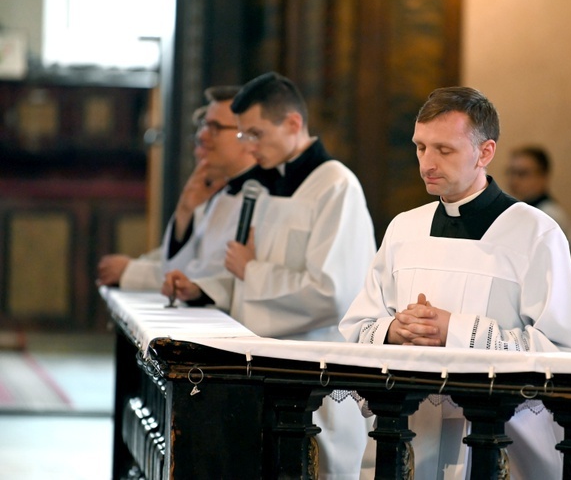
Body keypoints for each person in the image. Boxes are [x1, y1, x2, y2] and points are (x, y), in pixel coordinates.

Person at [339, 86, 571, 479]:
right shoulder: (404, 228)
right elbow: (357, 327)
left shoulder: (535, 233)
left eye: (444, 150)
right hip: (406, 438)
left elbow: (559, 349)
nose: (426, 163)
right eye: (420, 147)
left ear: (485, 152)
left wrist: (452, 331)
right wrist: (393, 331)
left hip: (498, 442)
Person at [161, 72, 376, 479]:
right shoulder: (264, 187)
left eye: (256, 133)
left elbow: (333, 294)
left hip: (316, 380)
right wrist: (205, 287)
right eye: (243, 135)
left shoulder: (335, 187)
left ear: (293, 124)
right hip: (266, 371)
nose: (249, 146)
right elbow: (247, 274)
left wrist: (252, 270)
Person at [96, 86, 266, 290]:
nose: (202, 136)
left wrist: (132, 272)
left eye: (215, 127)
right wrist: (185, 211)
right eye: (203, 126)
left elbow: (219, 280)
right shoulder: (220, 193)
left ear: (247, 134)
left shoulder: (264, 199)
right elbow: (180, 266)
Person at [506, 144, 571, 314]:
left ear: (543, 177)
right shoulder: (523, 212)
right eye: (511, 172)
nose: (514, 180)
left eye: (522, 173)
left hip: (555, 309)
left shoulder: (549, 216)